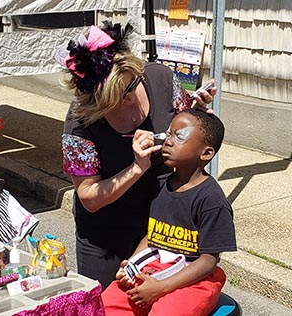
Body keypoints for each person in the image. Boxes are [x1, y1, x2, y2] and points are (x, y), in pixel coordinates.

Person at [59, 21, 215, 288]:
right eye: (118, 98)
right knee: (107, 302)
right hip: (105, 231)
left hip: (161, 220)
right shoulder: (80, 122)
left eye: (132, 87)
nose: (130, 99)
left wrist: (200, 118)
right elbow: (89, 199)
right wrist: (136, 168)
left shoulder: (161, 79)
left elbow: (186, 123)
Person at [101, 108, 236, 316]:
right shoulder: (160, 185)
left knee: (166, 311)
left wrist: (161, 288)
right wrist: (132, 265)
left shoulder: (212, 200)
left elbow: (209, 261)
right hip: (157, 264)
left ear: (206, 153)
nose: (168, 141)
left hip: (195, 278)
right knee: (108, 303)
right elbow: (152, 235)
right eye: (169, 133)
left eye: (179, 136)